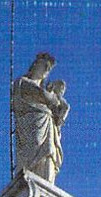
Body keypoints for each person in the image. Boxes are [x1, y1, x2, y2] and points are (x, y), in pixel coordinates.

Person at [12, 53, 68, 183]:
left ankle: (46, 184)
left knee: (48, 152)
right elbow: (44, 95)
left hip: (47, 126)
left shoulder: (45, 91)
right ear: (35, 65)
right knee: (36, 146)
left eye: (48, 68)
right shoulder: (22, 83)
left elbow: (59, 113)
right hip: (31, 125)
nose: (46, 69)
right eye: (45, 65)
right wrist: (55, 97)